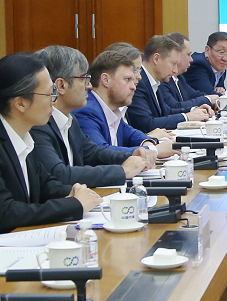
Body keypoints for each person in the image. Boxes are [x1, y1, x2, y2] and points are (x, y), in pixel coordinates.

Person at [0, 54, 100, 249]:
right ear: (20, 103)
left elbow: (44, 183)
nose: (53, 102)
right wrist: (74, 204)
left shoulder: (20, 132)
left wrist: (73, 192)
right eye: (49, 94)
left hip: (9, 243)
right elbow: (4, 213)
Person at [33, 45, 157, 188]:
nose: (89, 86)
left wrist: (133, 154)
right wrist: (122, 171)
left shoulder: (70, 119)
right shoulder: (39, 124)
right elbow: (59, 174)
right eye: (83, 79)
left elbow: (92, 152)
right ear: (61, 85)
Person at [76, 46, 173, 151]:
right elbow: (101, 152)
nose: (133, 87)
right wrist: (154, 150)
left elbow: (131, 134)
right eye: (127, 79)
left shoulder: (112, 109)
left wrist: (147, 142)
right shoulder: (86, 111)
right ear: (106, 80)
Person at [128, 35, 212, 133]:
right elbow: (147, 124)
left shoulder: (155, 80)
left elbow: (166, 111)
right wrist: (187, 117)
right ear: (156, 59)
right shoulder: (138, 83)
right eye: (173, 63)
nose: (175, 70)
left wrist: (194, 110)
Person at [164, 32, 219, 110]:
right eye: (188, 54)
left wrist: (220, 99)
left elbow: (194, 95)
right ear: (176, 55)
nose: (191, 59)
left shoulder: (179, 77)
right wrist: (208, 99)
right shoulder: (163, 79)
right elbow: (175, 107)